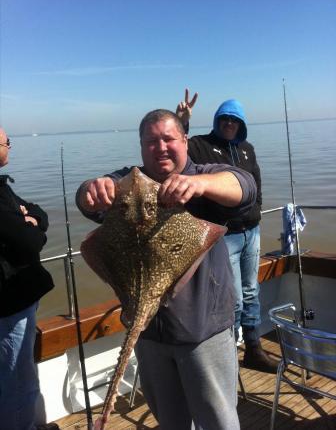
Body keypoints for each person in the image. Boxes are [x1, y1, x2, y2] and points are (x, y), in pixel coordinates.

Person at [76, 109, 257, 430]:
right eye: (151, 141)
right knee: (170, 423)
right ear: (141, 145)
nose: (160, 147)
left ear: (184, 139)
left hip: (203, 332)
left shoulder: (204, 174)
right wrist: (92, 189)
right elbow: (86, 198)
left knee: (218, 421)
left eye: (168, 139)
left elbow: (244, 185)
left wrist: (198, 184)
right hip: (148, 331)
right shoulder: (129, 184)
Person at [176, 90, 278, 373]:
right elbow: (180, 151)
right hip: (224, 236)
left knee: (251, 291)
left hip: (251, 232)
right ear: (217, 120)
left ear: (241, 123)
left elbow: (256, 183)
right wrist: (182, 122)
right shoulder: (201, 145)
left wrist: (256, 210)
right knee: (229, 298)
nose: (229, 123)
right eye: (225, 118)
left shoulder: (248, 149)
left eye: (234, 120)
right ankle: (228, 355)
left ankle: (254, 348)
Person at [0, 127, 59, 430]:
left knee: (19, 373)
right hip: (8, 305)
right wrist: (31, 225)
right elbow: (29, 242)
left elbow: (38, 213)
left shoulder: (2, 187)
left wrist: (31, 218)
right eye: (5, 142)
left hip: (19, 300)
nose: (9, 146)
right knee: (16, 380)